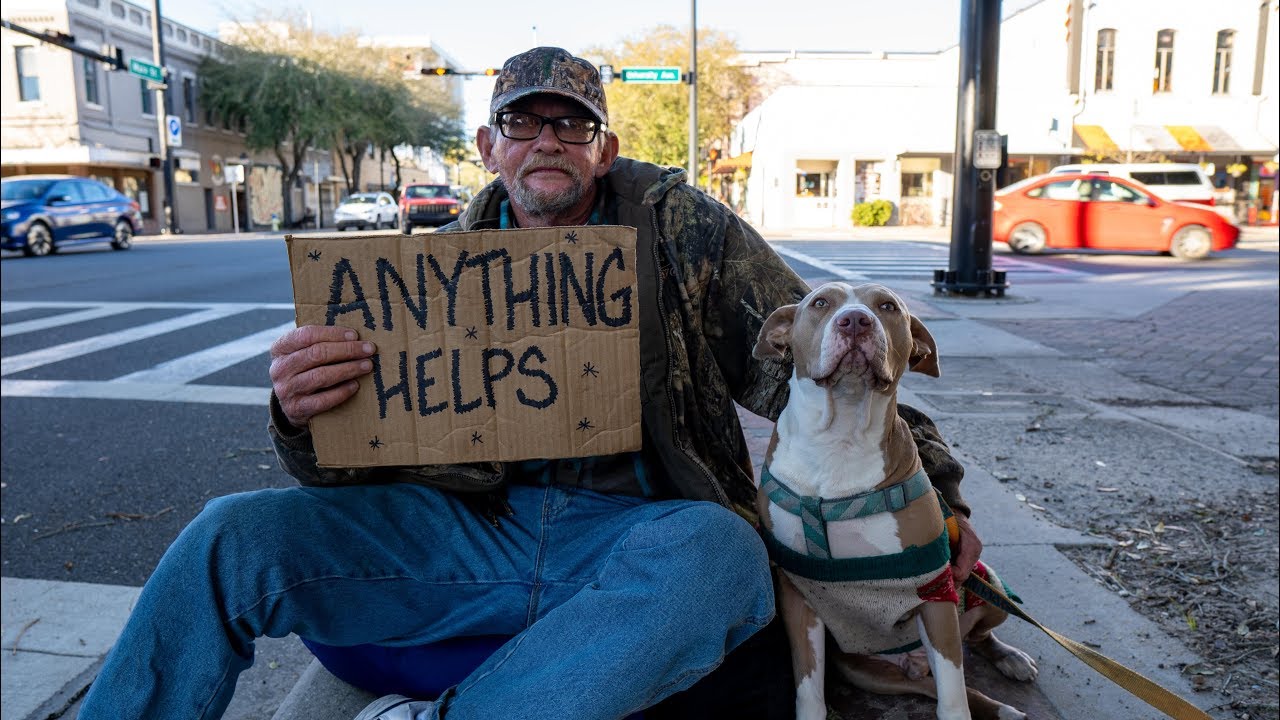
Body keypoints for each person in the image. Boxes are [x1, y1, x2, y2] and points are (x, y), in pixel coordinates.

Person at [79, 47, 978, 720]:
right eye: (522, 122)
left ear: (603, 145)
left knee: (724, 558)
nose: (547, 140)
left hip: (639, 531)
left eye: (572, 125)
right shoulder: (421, 277)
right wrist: (297, 414)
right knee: (229, 535)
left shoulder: (681, 227)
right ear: (488, 145)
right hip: (470, 533)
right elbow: (339, 468)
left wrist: (937, 500)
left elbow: (816, 357)